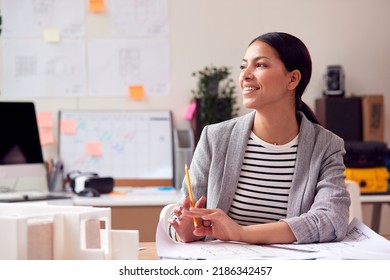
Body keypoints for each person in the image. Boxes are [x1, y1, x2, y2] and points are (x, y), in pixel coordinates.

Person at [169, 32, 351, 245]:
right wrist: (186, 231)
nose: (245, 75)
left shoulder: (326, 146)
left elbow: (332, 220)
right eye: (243, 66)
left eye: (260, 65)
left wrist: (241, 233)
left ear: (292, 79)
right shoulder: (215, 138)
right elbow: (192, 222)